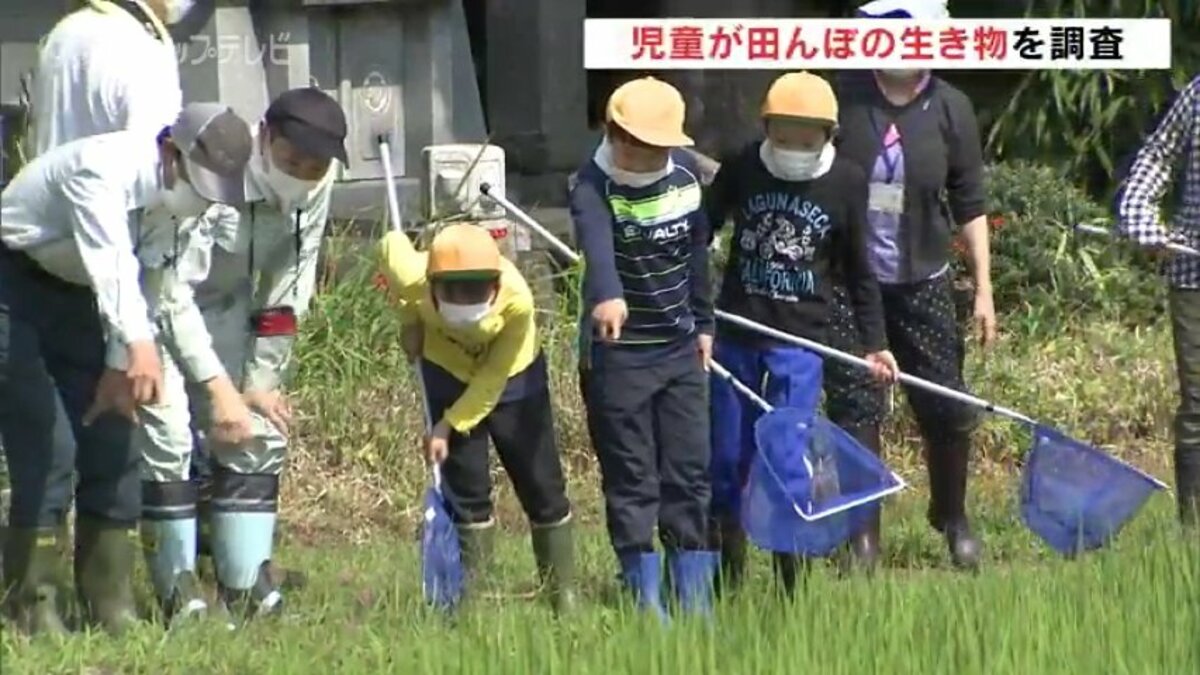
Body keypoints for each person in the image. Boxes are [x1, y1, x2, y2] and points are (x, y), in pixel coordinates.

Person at [0, 102, 253, 636]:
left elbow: (153, 284)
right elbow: (111, 261)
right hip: (14, 288)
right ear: (171, 151)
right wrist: (138, 345)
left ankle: (108, 602)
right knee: (49, 446)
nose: (202, 201)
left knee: (116, 438)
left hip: (85, 302)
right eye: (199, 184)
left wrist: (122, 363)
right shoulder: (101, 169)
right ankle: (33, 605)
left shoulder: (177, 206)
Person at [150, 88, 346, 618]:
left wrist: (260, 381)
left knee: (256, 429)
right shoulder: (220, 163)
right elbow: (171, 289)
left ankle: (244, 583)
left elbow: (289, 284)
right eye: (290, 160)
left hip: (229, 309)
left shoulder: (320, 182)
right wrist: (217, 389)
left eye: (313, 167)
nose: (301, 175)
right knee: (169, 434)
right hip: (163, 305)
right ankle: (176, 588)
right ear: (264, 136)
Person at [704, 72, 899, 593]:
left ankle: (791, 581)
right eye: (782, 134)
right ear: (766, 128)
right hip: (736, 333)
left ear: (828, 134)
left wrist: (876, 344)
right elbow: (703, 226)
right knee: (727, 455)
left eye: (805, 137)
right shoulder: (744, 165)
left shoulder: (846, 181)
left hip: (799, 344)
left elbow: (859, 269)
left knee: (788, 459)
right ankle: (728, 572)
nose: (792, 146)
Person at [821, 0, 997, 571]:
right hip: (852, 281)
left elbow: (969, 201)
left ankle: (952, 516)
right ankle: (862, 538)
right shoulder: (843, 97)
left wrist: (984, 288)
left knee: (946, 401)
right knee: (856, 403)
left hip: (923, 276)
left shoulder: (950, 107)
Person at [571, 76, 717, 619]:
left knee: (689, 474)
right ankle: (645, 599)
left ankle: (693, 596)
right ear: (614, 134)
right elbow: (597, 245)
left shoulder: (686, 177)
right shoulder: (592, 184)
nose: (648, 157)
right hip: (621, 356)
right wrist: (607, 294)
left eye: (659, 148)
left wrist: (704, 323)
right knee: (633, 478)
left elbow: (697, 254)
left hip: (680, 351)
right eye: (639, 145)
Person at [378, 223, 576, 613]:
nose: (465, 300)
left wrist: (447, 425)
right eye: (453, 290)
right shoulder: (412, 276)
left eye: (476, 289)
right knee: (466, 486)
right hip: (447, 369)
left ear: (496, 283)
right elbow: (390, 243)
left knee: (541, 481)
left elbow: (491, 380)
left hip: (513, 377)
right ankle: (473, 597)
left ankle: (561, 593)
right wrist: (410, 321)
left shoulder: (518, 301)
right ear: (432, 283)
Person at [1116, 75, 1200, 532]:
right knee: (1198, 402)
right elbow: (1158, 154)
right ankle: (1194, 529)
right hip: (1193, 271)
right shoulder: (1198, 93)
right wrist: (1141, 218)